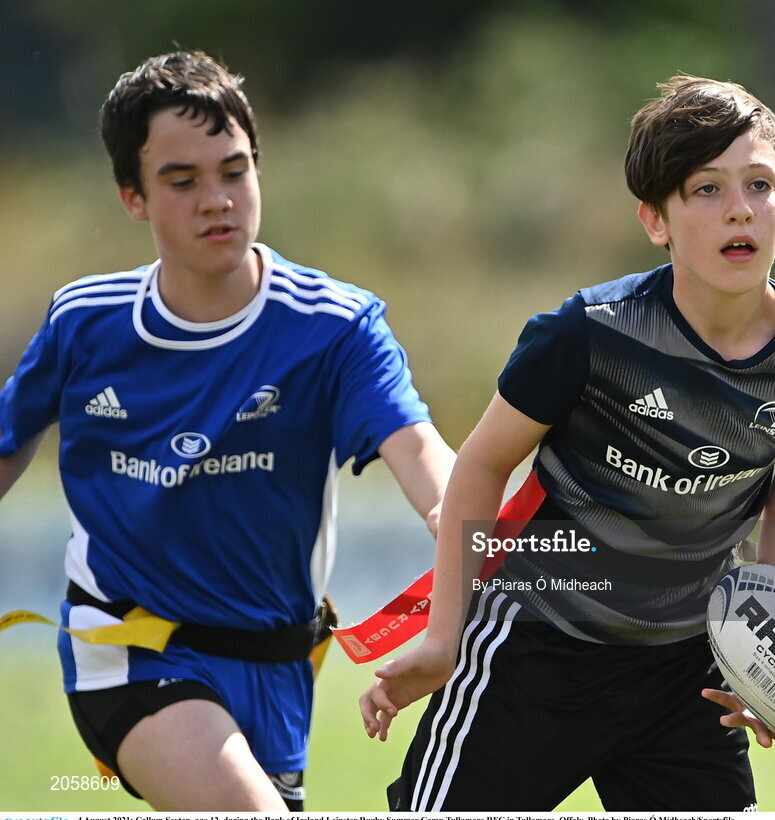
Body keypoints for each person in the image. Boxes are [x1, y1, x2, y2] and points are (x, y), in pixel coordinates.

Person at [358, 74, 775, 811]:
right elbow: (483, 464)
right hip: (534, 652)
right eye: (706, 190)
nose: (740, 209)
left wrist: (769, 667)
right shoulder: (590, 333)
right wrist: (444, 636)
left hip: (687, 671)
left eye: (759, 184)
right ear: (655, 220)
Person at [0, 51, 455, 811]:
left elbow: (422, 453)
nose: (218, 199)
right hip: (127, 646)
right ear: (132, 196)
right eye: (183, 181)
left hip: (278, 665)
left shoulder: (335, 328)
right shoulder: (84, 321)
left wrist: (460, 526)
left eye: (235, 171)